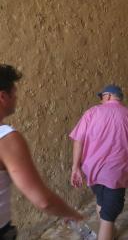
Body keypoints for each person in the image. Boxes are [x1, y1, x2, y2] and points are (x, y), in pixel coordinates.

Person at [0, 64, 83, 239]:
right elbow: (43, 201)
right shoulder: (6, 139)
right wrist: (70, 213)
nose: (16, 98)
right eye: (14, 93)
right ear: (2, 96)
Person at [70, 85, 128, 240]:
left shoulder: (91, 113)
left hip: (92, 172)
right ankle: (106, 234)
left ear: (107, 96)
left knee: (101, 201)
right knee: (109, 214)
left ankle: (109, 233)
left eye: (101, 97)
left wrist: (75, 167)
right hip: (116, 174)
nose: (100, 100)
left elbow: (78, 140)